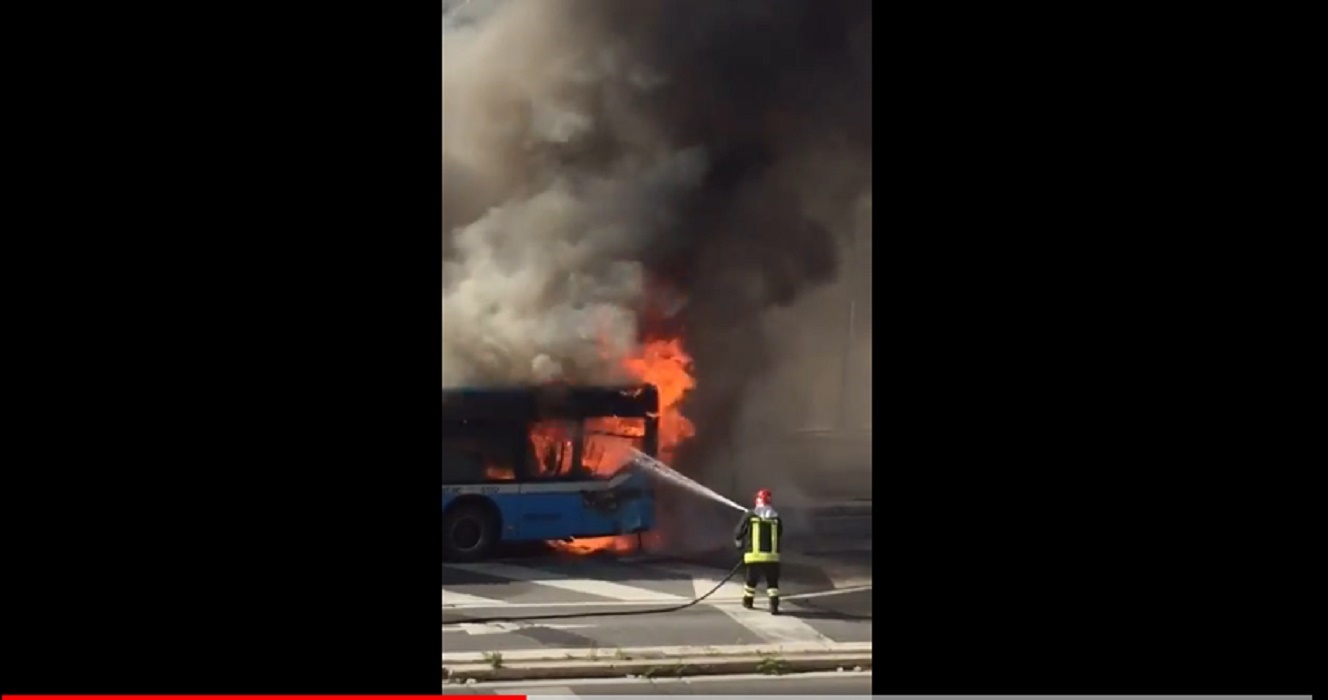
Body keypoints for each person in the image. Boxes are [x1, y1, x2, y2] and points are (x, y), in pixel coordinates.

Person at [732, 488, 783, 614]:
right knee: (772, 584)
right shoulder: (776, 517)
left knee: (751, 581)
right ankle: (774, 606)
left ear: (757, 500)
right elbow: (780, 533)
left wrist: (739, 544)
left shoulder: (750, 514)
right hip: (772, 557)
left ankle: (748, 601)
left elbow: (738, 532)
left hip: (754, 556)